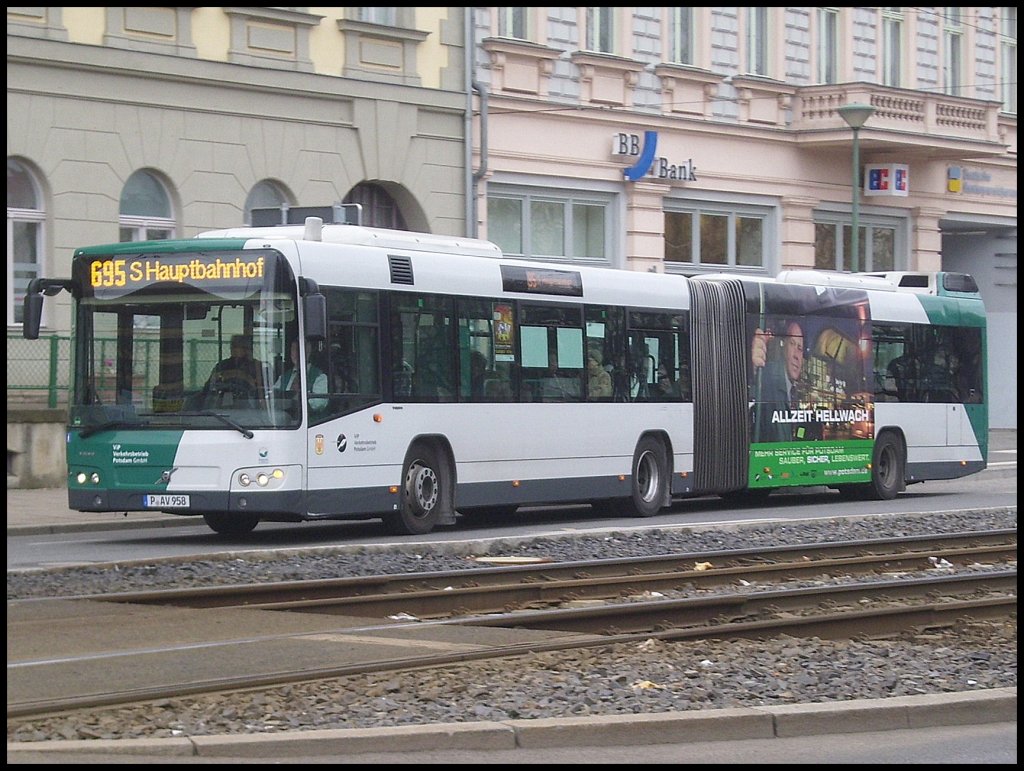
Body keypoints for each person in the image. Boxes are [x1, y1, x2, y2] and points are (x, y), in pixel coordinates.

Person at [750, 319, 805, 442]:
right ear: (783, 346)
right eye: (792, 343)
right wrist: (753, 371)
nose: (796, 355)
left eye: (800, 348)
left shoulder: (794, 392)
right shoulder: (766, 378)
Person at [205, 334, 265, 403]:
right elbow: (209, 386)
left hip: (250, 404)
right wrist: (222, 376)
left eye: (237, 346)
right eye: (232, 346)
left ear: (246, 348)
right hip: (222, 404)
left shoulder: (256, 366)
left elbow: (261, 389)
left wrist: (245, 377)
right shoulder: (222, 365)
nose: (233, 348)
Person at [274, 339, 328, 412]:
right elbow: (273, 397)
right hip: (282, 418)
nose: (296, 354)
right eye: (293, 350)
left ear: (308, 353)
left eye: (299, 350)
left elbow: (319, 403)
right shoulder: (283, 377)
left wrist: (299, 399)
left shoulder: (320, 377)